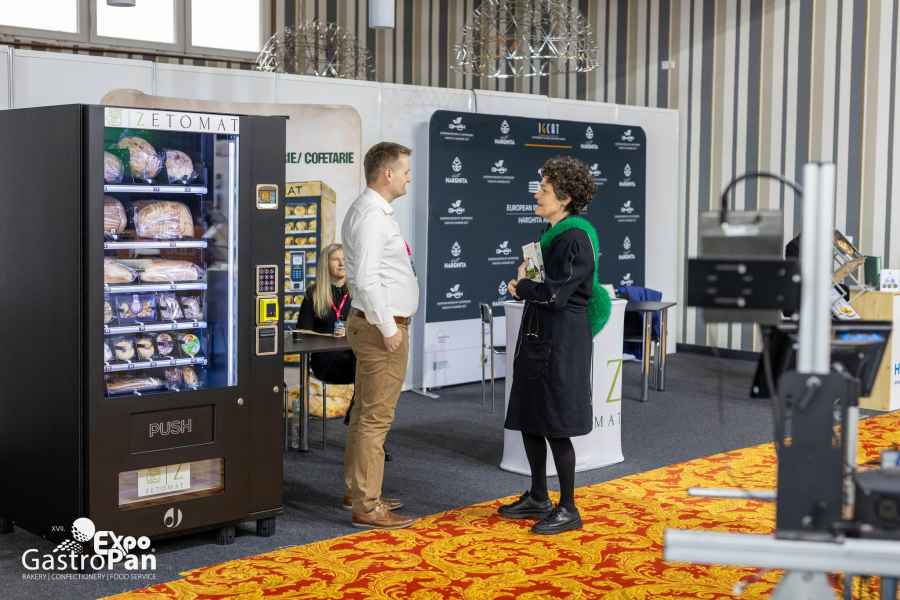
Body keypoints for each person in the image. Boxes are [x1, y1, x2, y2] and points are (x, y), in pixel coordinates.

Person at [499, 156, 611, 535]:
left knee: (556, 425)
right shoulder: (553, 234)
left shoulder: (574, 238)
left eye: (544, 189)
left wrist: (523, 286)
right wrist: (525, 286)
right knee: (531, 416)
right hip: (539, 336)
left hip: (561, 342)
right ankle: (538, 496)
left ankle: (568, 507)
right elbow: (544, 289)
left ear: (564, 199)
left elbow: (556, 294)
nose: (537, 194)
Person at [341, 141, 418, 530]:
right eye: (405, 171)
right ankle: (368, 506)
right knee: (376, 418)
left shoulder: (368, 209)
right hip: (380, 328)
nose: (408, 178)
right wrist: (389, 328)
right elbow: (368, 279)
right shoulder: (373, 215)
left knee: (364, 414)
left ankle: (358, 491)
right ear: (387, 173)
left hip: (369, 323)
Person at [297, 243, 355, 383]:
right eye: (336, 259)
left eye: (345, 259)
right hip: (325, 361)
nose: (342, 264)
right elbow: (303, 333)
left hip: (354, 356)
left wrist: (349, 331)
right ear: (325, 264)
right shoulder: (313, 294)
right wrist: (328, 336)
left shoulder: (358, 293)